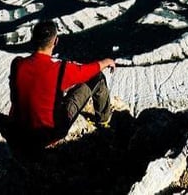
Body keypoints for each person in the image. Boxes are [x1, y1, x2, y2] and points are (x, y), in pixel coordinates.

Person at [7, 19, 115, 154]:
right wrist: (106, 62)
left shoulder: (17, 64)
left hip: (19, 131)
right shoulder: (61, 70)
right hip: (49, 134)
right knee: (97, 78)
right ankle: (103, 120)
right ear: (56, 41)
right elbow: (88, 71)